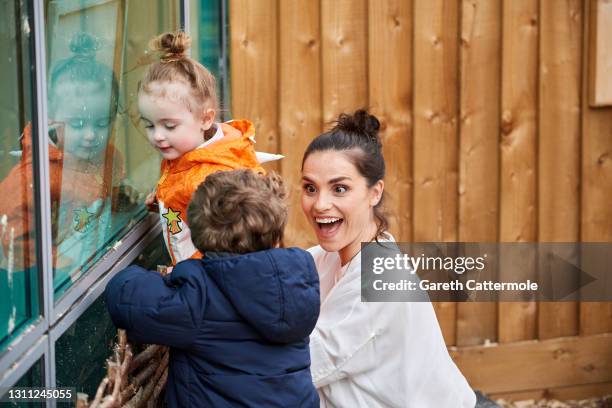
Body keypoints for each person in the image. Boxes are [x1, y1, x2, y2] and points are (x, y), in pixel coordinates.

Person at [301, 110, 477, 407]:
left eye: (339, 188)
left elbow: (305, 363)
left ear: (374, 193)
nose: (320, 204)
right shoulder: (323, 259)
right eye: (310, 188)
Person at [105, 169, 320, 407]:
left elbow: (125, 299)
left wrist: (140, 274)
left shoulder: (200, 296)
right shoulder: (299, 276)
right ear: (277, 236)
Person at [0, 31, 125, 334]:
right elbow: (10, 235)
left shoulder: (109, 156)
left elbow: (105, 194)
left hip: (88, 260)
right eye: (79, 123)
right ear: (52, 120)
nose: (91, 135)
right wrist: (58, 263)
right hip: (35, 279)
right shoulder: (33, 176)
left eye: (101, 122)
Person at [138, 31, 267, 265]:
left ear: (205, 119)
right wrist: (163, 200)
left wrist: (187, 276)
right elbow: (181, 190)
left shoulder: (214, 182)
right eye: (149, 124)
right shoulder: (183, 151)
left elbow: (224, 253)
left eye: (169, 125)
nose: (157, 136)